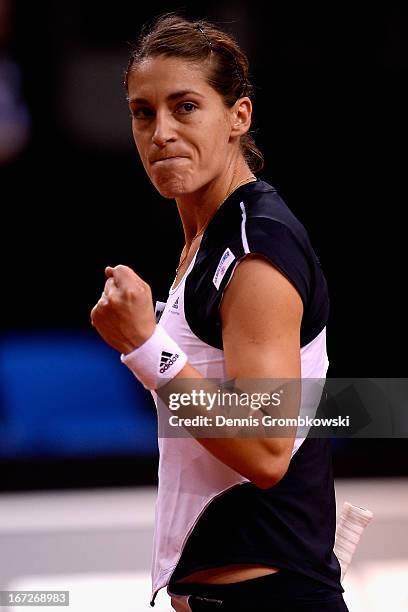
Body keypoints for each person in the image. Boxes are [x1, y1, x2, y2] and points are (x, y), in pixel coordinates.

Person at [90, 13, 349, 612]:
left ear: (239, 117)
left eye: (185, 107)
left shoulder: (256, 250)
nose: (161, 132)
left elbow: (265, 448)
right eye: (143, 112)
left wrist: (144, 346)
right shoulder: (204, 243)